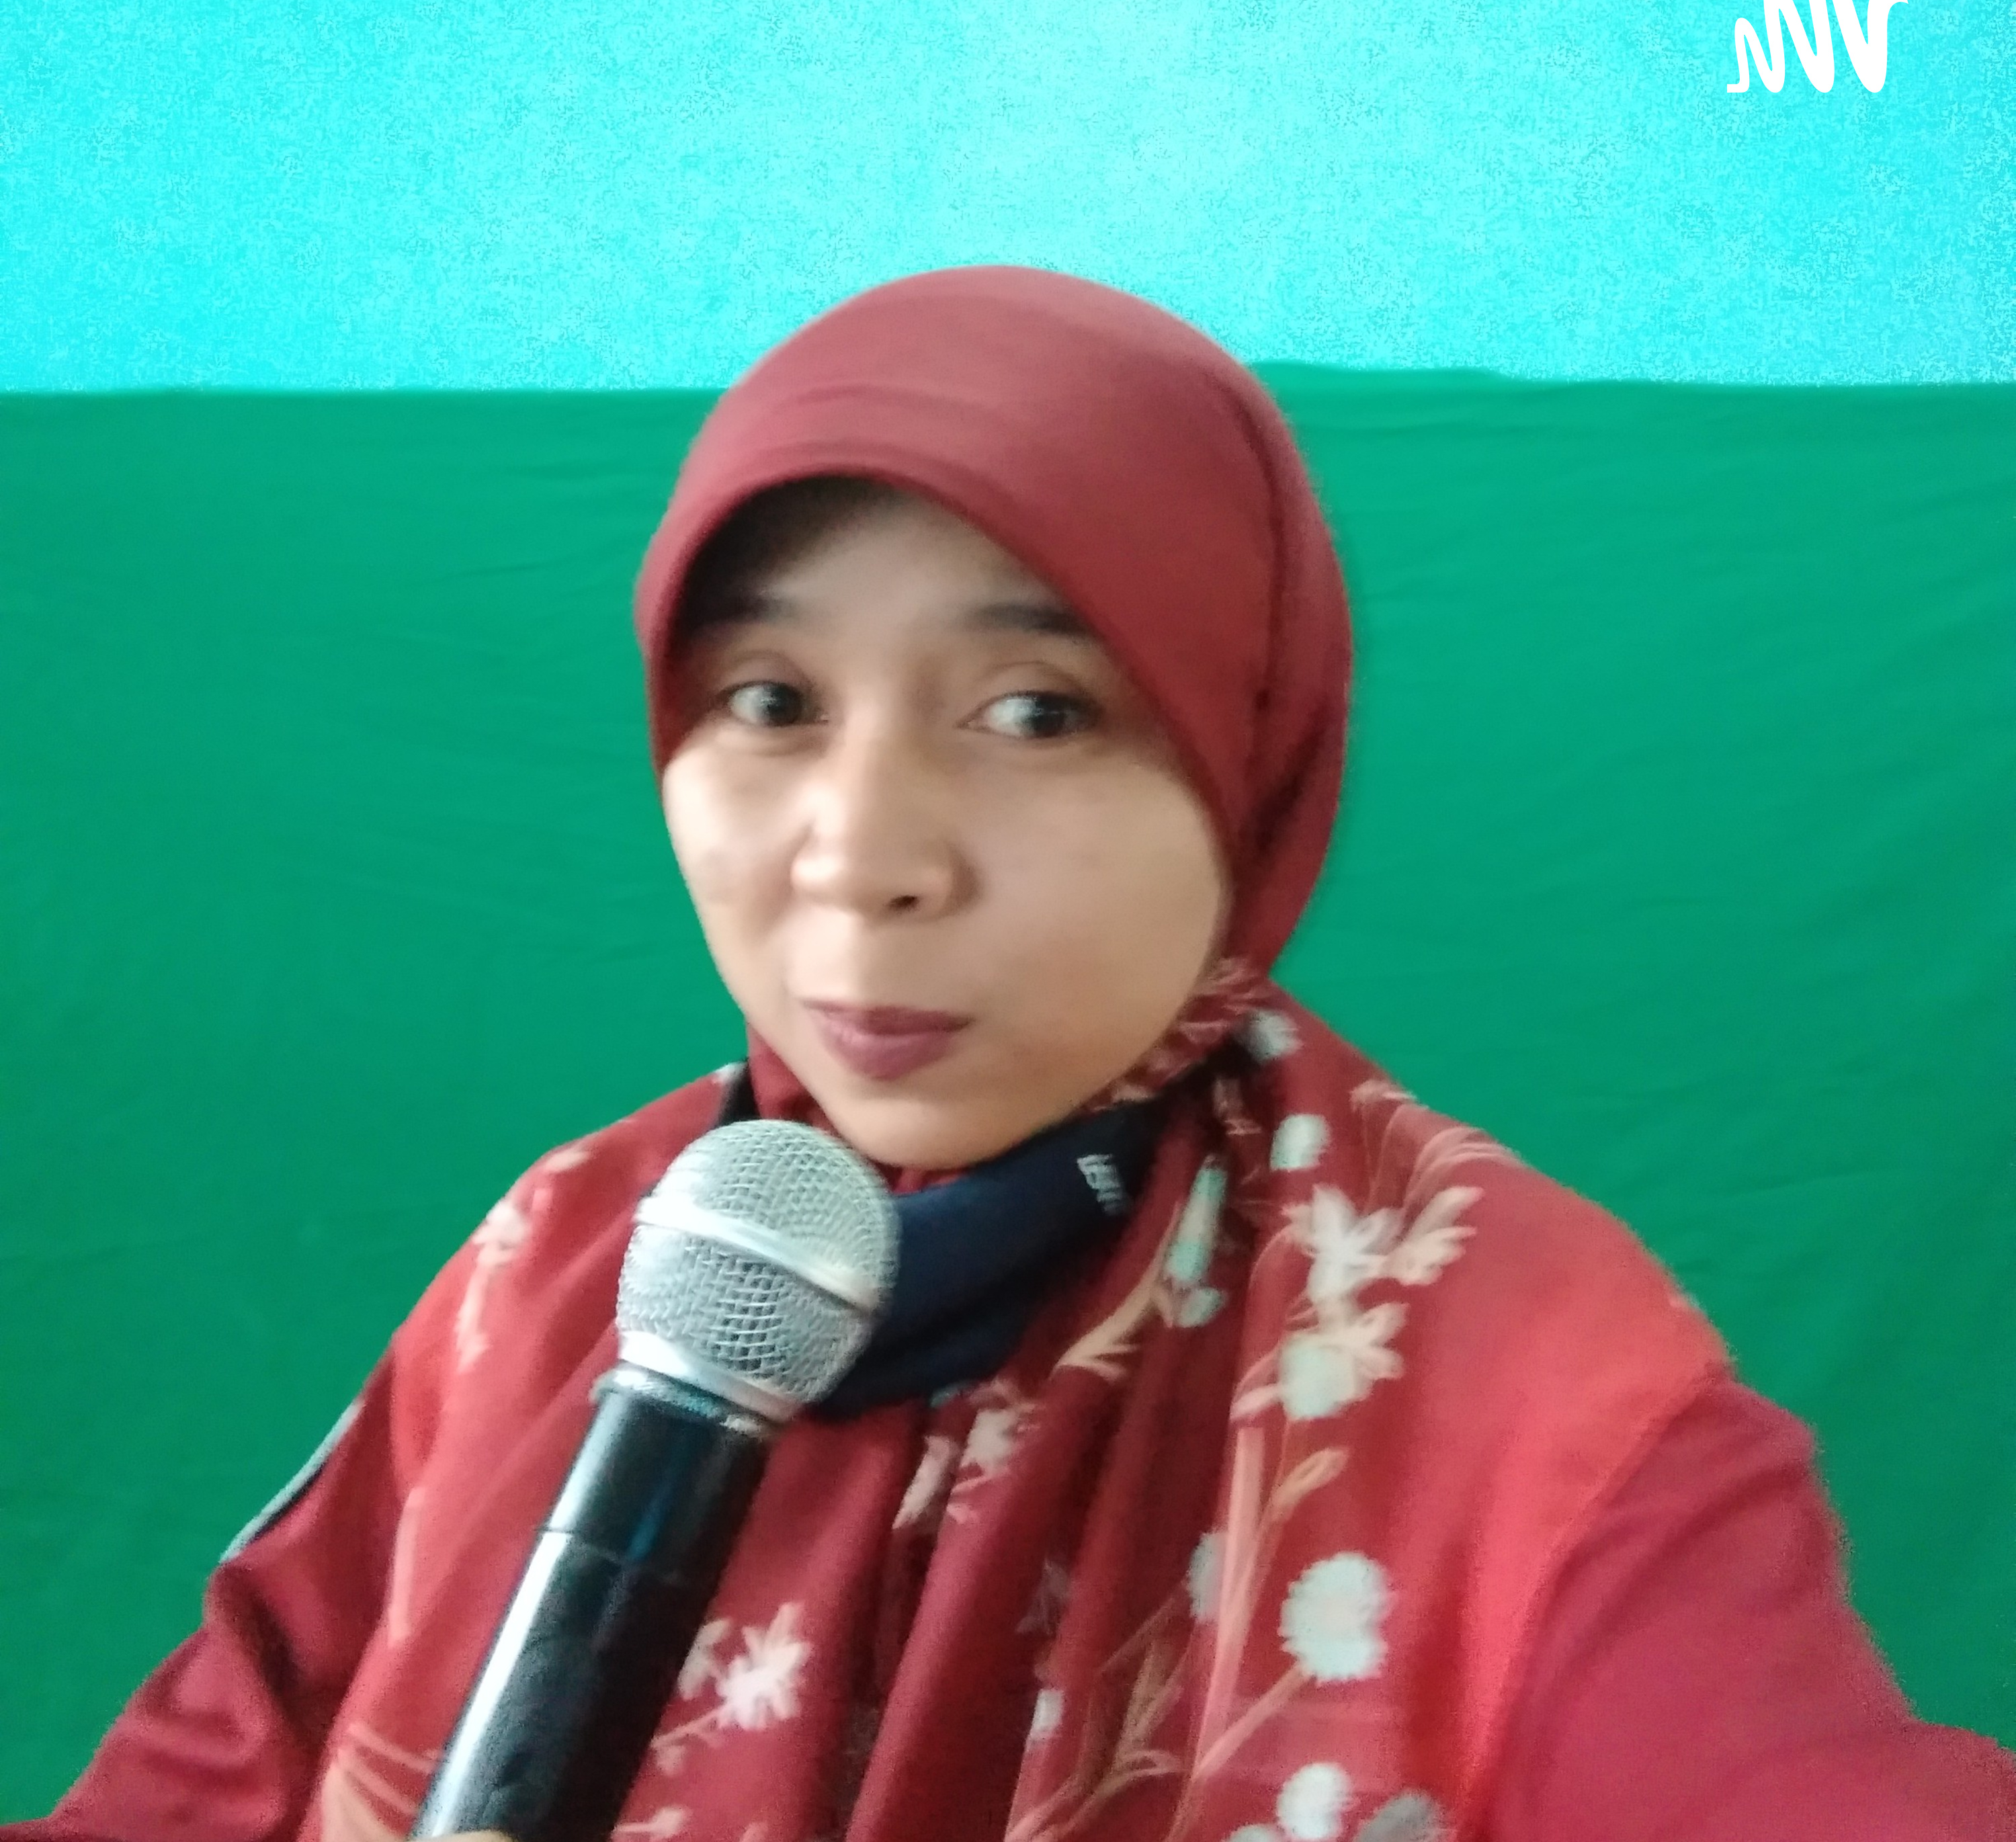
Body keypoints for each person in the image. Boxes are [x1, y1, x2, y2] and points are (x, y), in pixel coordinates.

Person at [11, 265, 2013, 1842]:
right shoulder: (586, 1261)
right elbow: (212, 1767)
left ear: (1243, 749)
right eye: (769, 699)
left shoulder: (1499, 1364)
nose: (860, 858)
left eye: (1038, 711)